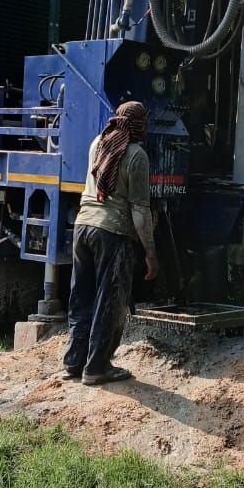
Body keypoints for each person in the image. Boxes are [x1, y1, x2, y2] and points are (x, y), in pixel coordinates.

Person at [62, 100, 158, 385]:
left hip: (82, 227)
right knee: (110, 302)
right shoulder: (137, 155)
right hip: (111, 233)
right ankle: (97, 367)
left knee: (81, 298)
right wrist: (151, 254)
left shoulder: (98, 143)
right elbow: (140, 210)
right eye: (145, 122)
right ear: (139, 124)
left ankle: (74, 363)